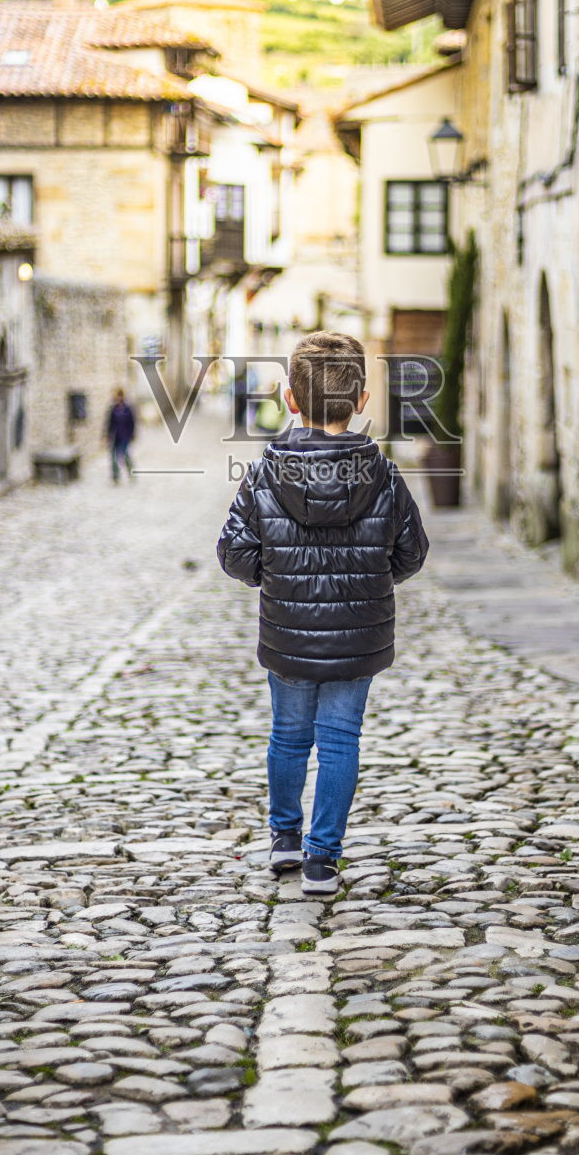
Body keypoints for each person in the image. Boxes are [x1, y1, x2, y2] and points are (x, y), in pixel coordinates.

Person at [217, 331, 428, 894]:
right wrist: (369, 584)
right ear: (361, 402)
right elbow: (412, 552)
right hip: (357, 637)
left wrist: (278, 580)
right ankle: (322, 861)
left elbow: (233, 553)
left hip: (287, 632)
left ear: (290, 398)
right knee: (340, 739)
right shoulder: (383, 475)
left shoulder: (263, 474)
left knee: (288, 735)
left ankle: (284, 839)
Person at [106, 387, 136, 483]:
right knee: (114, 456)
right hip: (116, 436)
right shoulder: (114, 409)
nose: (118, 397)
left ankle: (131, 473)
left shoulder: (127, 409)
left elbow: (132, 422)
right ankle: (115, 476)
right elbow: (110, 423)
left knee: (125, 455)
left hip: (125, 436)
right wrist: (108, 434)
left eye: (120, 395)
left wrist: (132, 434)